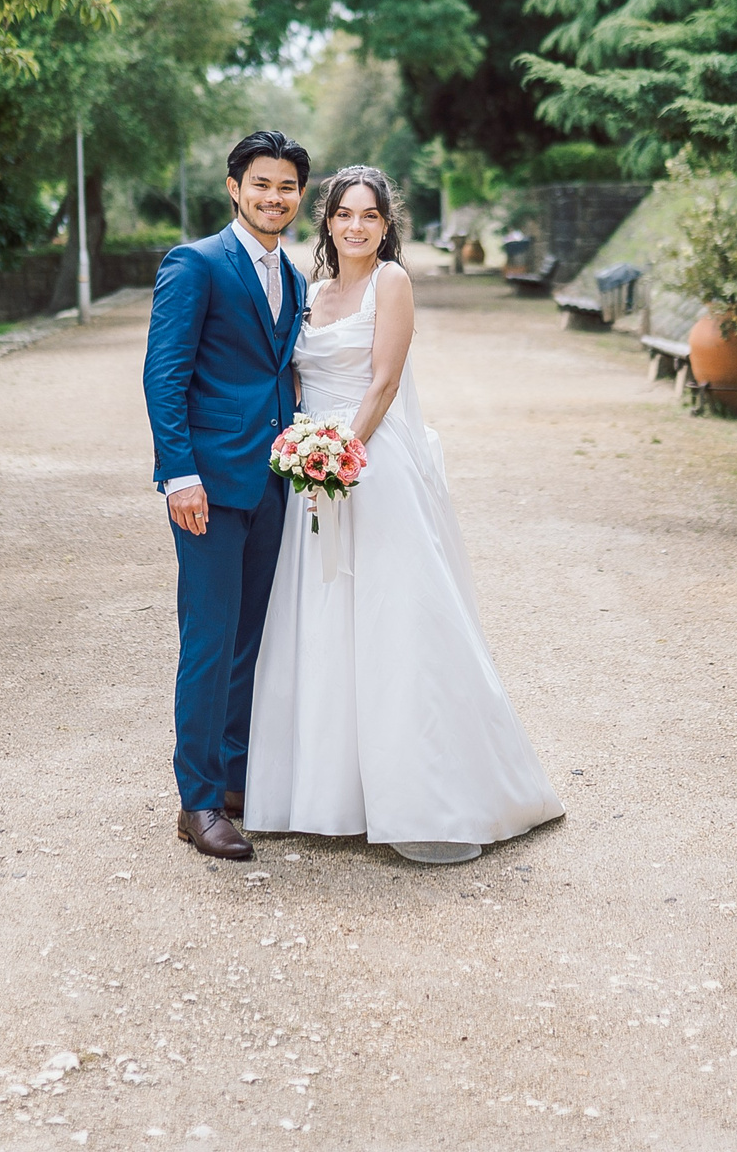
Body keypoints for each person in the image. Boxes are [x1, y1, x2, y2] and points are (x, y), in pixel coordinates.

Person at [242, 165, 564, 864]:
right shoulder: (312, 290)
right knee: (318, 623)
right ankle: (325, 791)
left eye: (369, 215)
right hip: (311, 470)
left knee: (392, 621)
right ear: (326, 221)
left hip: (368, 462)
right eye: (343, 213)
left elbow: (384, 379)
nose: (355, 225)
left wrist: (339, 454)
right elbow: (294, 376)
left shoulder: (393, 283)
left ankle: (425, 792)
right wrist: (306, 453)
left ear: (387, 226)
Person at [141, 131, 311, 861]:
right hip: (207, 486)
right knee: (208, 640)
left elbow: (282, 375)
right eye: (262, 183)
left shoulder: (295, 277)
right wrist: (180, 474)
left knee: (252, 638)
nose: (275, 197)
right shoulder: (196, 263)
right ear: (234, 187)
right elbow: (163, 375)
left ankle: (236, 776)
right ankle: (197, 800)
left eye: (287, 187)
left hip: (274, 481)